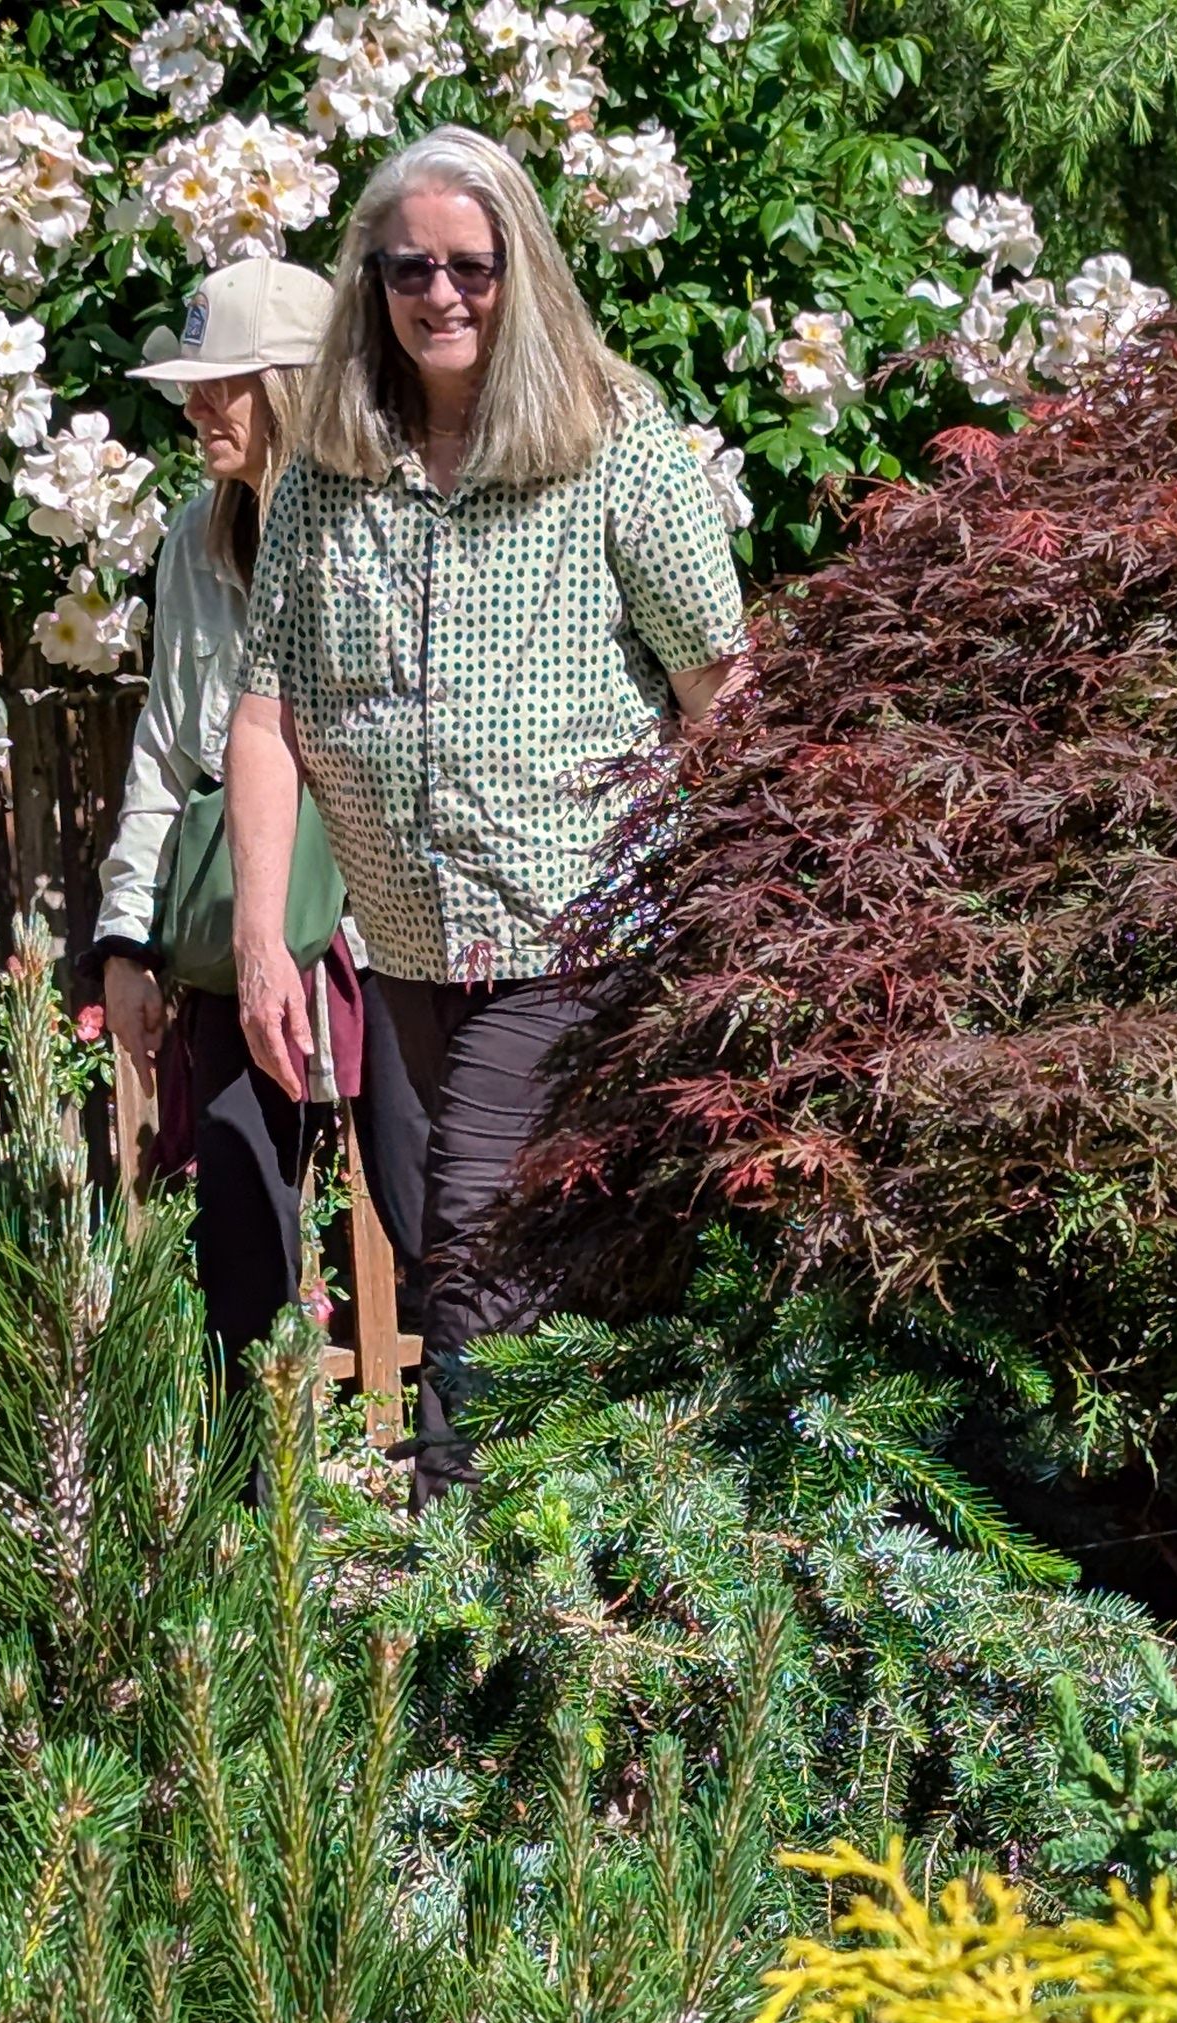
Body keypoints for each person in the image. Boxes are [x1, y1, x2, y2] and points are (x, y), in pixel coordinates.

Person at [223, 124, 746, 1495]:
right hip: (404, 941)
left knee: (475, 1245)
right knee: (447, 1232)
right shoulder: (328, 477)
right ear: (371, 284)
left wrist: (738, 919)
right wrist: (263, 939)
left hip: (580, 927)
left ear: (524, 271)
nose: (441, 296)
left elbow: (720, 693)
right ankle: (608, 1535)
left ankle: (457, 1597)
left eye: (473, 267)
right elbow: (269, 706)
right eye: (410, 270)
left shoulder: (616, 443)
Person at [90, 254, 417, 1365]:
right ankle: (248, 1524)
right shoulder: (193, 539)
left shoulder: (392, 524)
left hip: (393, 932)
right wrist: (128, 940)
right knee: (236, 1236)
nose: (192, 404)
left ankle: (496, 1513)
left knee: (436, 1219)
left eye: (217, 380)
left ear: (286, 381)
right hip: (240, 931)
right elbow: (168, 752)